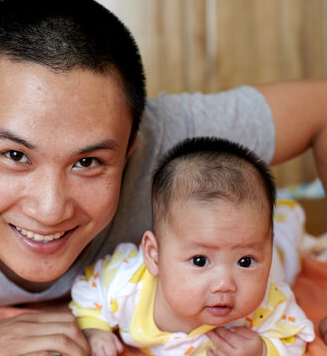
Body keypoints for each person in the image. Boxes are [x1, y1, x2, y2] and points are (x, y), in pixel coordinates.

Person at [0, 0, 325, 354]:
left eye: (88, 162)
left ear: (133, 142)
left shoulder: (172, 141)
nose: (49, 209)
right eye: (15, 155)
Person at [70, 137, 315, 356]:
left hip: (275, 253)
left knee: (287, 251)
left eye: (245, 261)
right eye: (200, 260)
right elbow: (91, 292)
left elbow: (295, 336)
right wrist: (95, 329)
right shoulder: (126, 285)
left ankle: (286, 219)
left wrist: (263, 350)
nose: (225, 284)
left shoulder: (267, 305)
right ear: (153, 256)